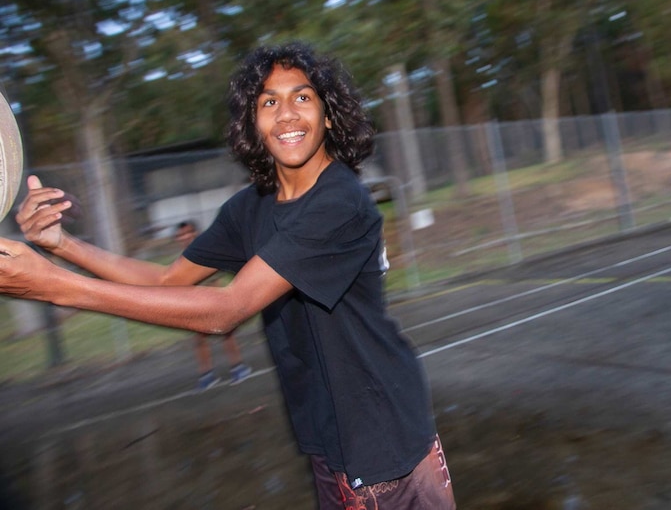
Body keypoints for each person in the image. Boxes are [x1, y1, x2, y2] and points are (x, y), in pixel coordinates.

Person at [0, 42, 456, 509]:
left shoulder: (340, 203)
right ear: (253, 125)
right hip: (327, 438)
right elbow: (165, 281)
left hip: (385, 445)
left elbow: (226, 310)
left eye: (302, 98)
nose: (286, 115)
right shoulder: (249, 208)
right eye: (268, 102)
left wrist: (55, 286)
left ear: (329, 116)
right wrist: (62, 246)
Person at [174, 220, 252, 391]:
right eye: (181, 235)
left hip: (212, 300)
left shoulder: (202, 250)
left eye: (188, 233)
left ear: (194, 233)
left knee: (226, 334)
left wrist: (216, 301)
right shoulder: (181, 259)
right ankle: (207, 375)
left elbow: (214, 276)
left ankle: (238, 367)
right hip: (195, 304)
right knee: (199, 339)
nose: (185, 237)